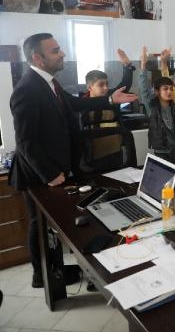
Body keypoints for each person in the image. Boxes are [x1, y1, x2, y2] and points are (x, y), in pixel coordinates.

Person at [9, 33, 137, 288]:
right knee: (39, 224)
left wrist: (109, 99)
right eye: (56, 50)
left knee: (49, 225)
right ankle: (42, 275)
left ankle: (55, 270)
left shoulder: (50, 83)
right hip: (39, 174)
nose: (63, 54)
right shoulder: (27, 89)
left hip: (57, 170)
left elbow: (76, 104)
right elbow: (25, 141)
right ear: (38, 58)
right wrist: (49, 174)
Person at [138, 46, 175, 160]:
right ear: (157, 91)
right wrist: (143, 65)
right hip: (161, 151)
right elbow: (144, 90)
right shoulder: (152, 107)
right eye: (165, 89)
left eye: (171, 89)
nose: (169, 92)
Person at [79, 48, 135, 128]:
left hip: (116, 135)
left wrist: (127, 67)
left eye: (107, 84)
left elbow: (125, 85)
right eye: (101, 85)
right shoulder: (82, 104)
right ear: (90, 88)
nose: (106, 88)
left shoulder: (112, 96)